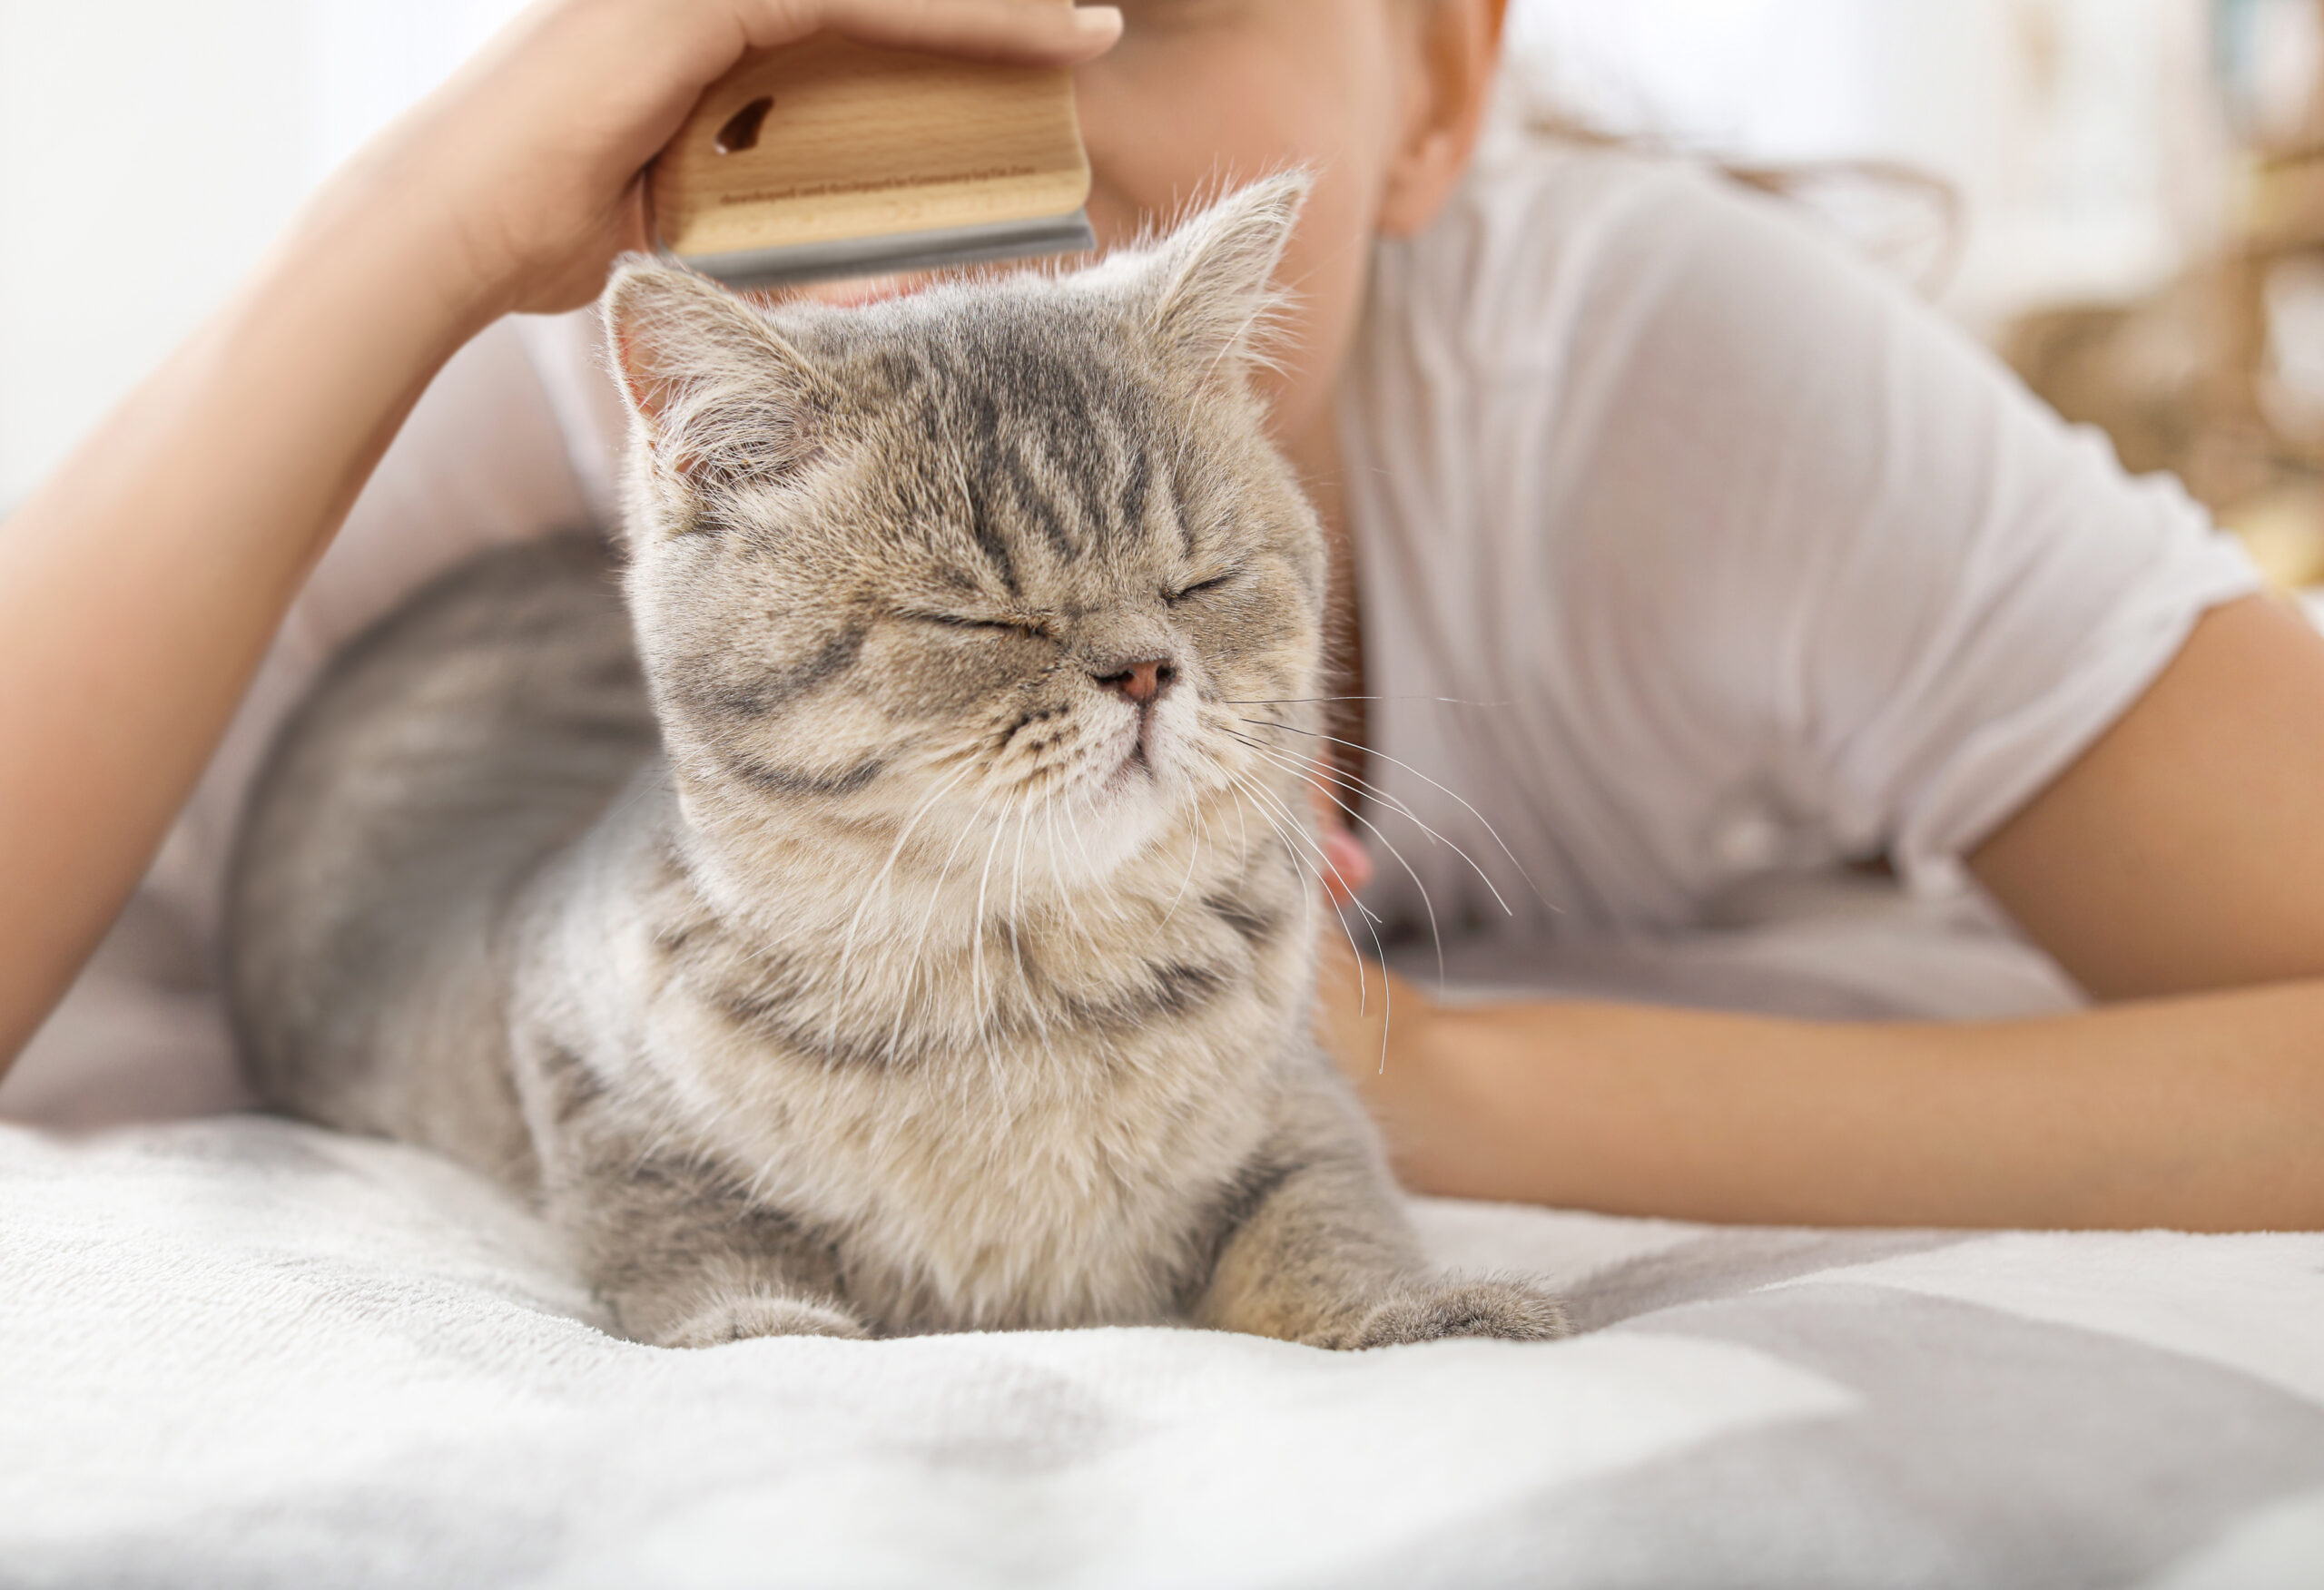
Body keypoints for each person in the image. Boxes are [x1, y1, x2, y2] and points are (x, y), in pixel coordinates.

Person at [5, 0, 2321, 1231]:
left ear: (1437, 86)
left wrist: (1428, 1088)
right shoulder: (666, 377)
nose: (983, 143)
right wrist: (397, 229)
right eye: (851, 6)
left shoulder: (1666, 386)